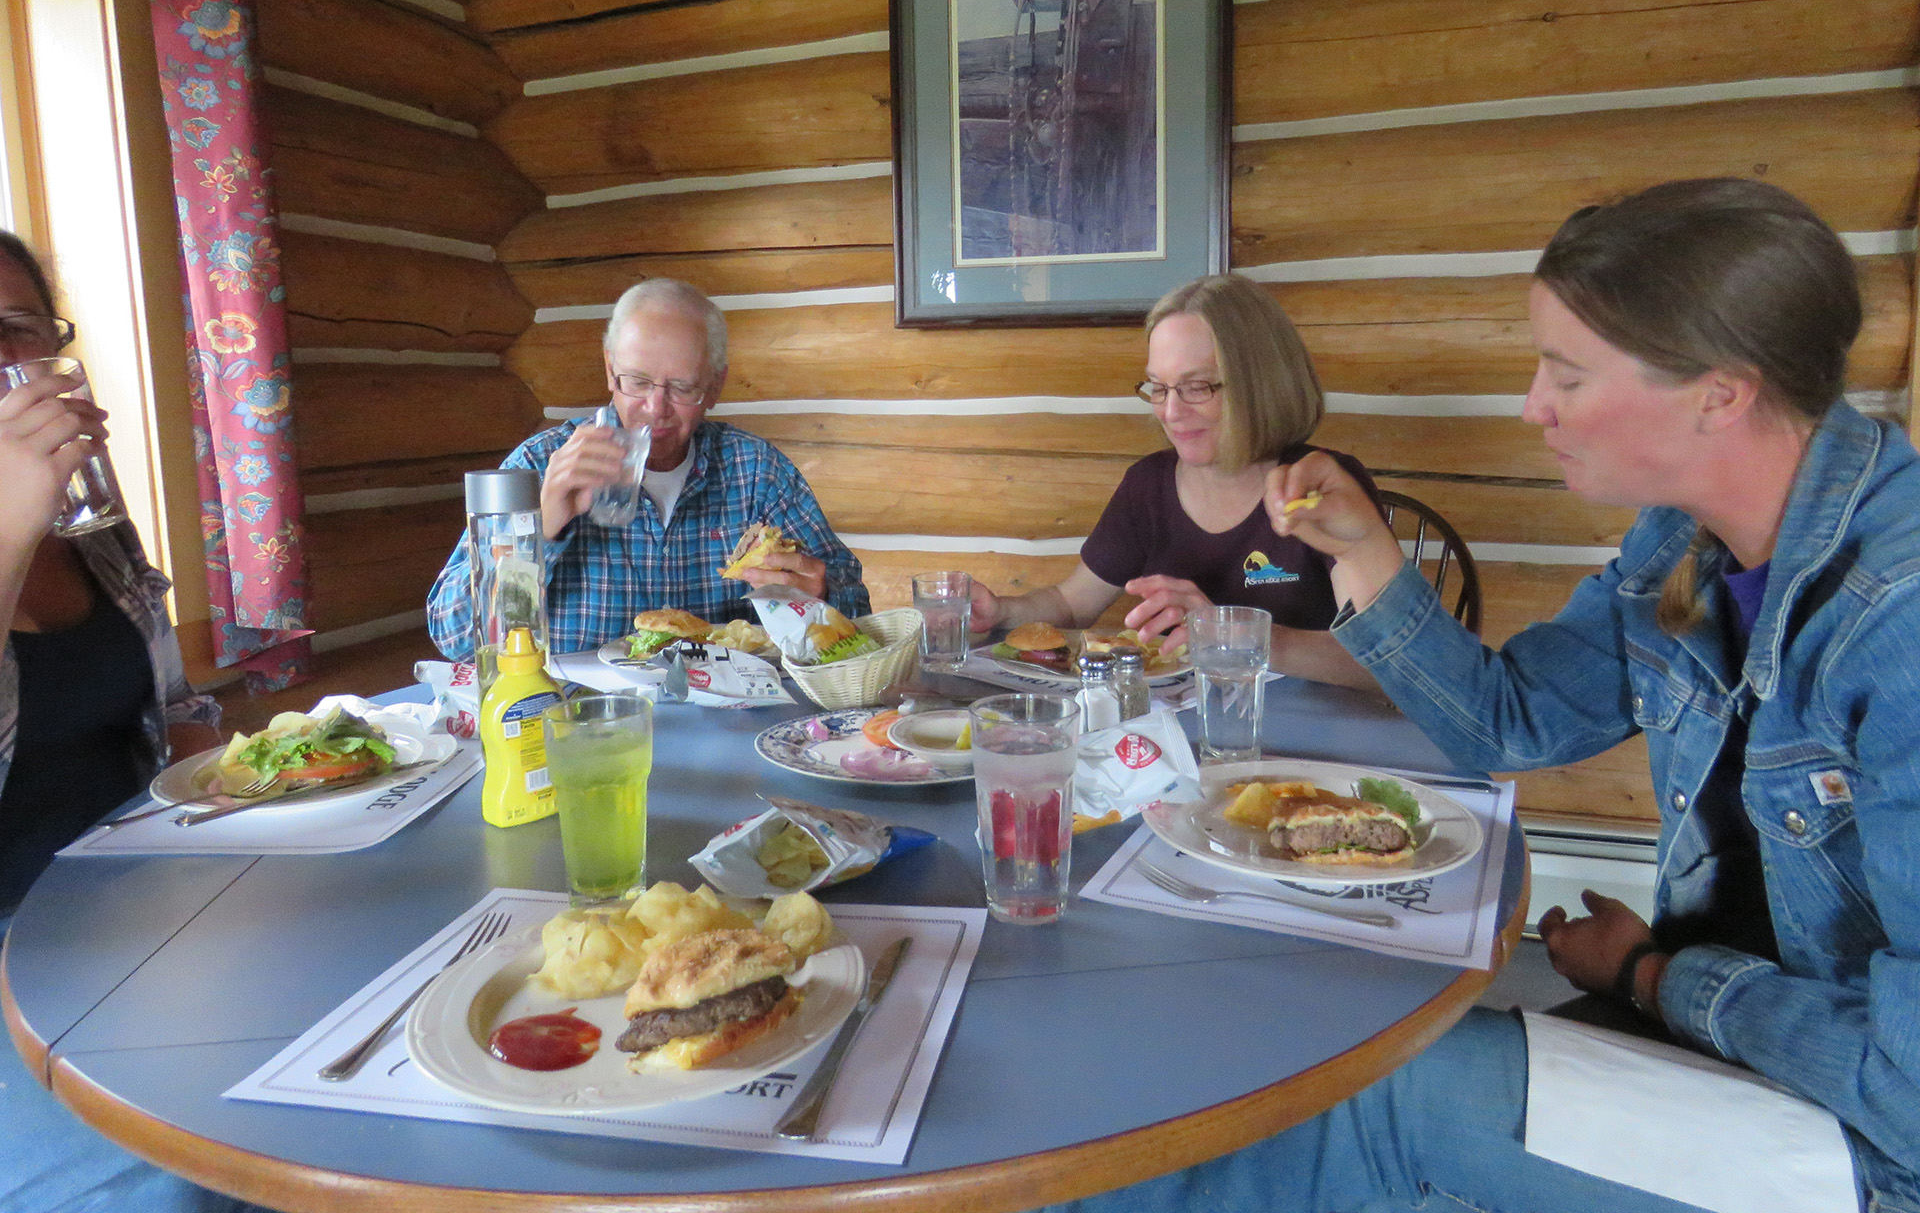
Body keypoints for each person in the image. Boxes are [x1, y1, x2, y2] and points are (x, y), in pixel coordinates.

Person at [1050, 178, 1919, 1213]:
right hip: (1748, 1046)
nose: (1532, 406)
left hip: (1865, 1149)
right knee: (1285, 1044)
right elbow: (1509, 718)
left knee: (1351, 1096)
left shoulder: (1897, 621)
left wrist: (1653, 978)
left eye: (1566, 372)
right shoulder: (1681, 540)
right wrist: (1367, 550)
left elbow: (1908, 1088)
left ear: (1718, 394)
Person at [0, 232, 265, 1212]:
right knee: (184, 1186)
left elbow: (172, 714)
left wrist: (248, 803)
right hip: (22, 958)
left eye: (17, 329)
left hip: (145, 904)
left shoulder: (92, 521)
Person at [969, 273, 1378, 688]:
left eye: (1196, 387)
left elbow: (1378, 664)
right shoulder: (1148, 485)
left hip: (1313, 736)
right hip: (1175, 734)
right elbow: (1070, 606)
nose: (1170, 412)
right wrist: (1000, 611)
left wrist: (1232, 634)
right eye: (1159, 388)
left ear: (1259, 386)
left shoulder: (1322, 488)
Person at [427, 277, 869, 659]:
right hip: (578, 724)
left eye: (682, 387)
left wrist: (821, 596)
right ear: (608, 369)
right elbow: (458, 637)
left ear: (714, 387)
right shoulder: (538, 467)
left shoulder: (756, 471)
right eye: (637, 382)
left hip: (725, 722)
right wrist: (536, 531)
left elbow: (858, 612)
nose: (654, 408)